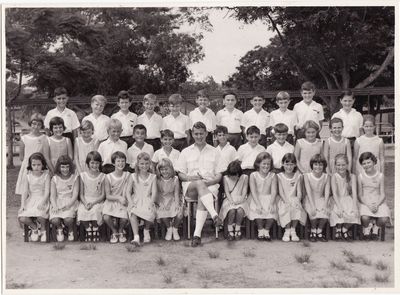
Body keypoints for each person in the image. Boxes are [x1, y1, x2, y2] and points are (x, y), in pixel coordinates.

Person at [175, 122, 224, 247]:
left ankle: (197, 235)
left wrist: (212, 181)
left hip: (210, 186)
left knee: (203, 195)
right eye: (196, 134)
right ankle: (214, 214)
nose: (199, 136)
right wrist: (191, 177)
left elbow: (219, 174)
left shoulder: (214, 151)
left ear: (206, 133)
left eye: (201, 133)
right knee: (199, 183)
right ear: (192, 134)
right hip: (190, 186)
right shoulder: (186, 151)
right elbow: (180, 174)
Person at [16, 113, 53, 196]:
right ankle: (25, 206)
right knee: (26, 190)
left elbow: (47, 157)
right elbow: (21, 157)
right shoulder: (24, 138)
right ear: (30, 123)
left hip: (40, 166)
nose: (36, 126)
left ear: (41, 126)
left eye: (39, 124)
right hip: (27, 167)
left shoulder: (44, 138)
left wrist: (52, 170)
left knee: (39, 190)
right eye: (34, 124)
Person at [126, 152, 158, 246]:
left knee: (150, 210)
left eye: (146, 163)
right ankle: (136, 237)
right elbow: (128, 191)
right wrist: (131, 202)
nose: (144, 166)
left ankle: (146, 230)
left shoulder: (153, 177)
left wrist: (151, 202)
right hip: (136, 199)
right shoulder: (133, 176)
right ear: (138, 164)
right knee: (132, 212)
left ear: (150, 164)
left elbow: (154, 192)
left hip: (147, 198)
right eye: (142, 164)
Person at [18, 152, 50, 242]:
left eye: (39, 165)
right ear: (30, 165)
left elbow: (47, 191)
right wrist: (23, 205)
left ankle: (43, 229)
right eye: (34, 165)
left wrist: (43, 202)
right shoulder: (28, 176)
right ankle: (34, 228)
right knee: (22, 217)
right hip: (31, 199)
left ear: (43, 165)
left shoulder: (46, 176)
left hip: (42, 198)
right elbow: (24, 192)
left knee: (40, 214)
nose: (36, 167)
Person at [357, 152, 391, 241]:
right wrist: (368, 204)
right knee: (364, 217)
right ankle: (367, 228)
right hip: (365, 200)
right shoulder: (360, 176)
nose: (366, 165)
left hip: (378, 200)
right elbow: (360, 195)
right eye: (364, 163)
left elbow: (383, 194)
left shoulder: (380, 176)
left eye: (369, 162)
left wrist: (377, 204)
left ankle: (376, 228)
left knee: (384, 218)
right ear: (361, 165)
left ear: (374, 162)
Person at [276, 153, 306, 242]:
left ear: (295, 165)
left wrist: (298, 200)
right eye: (287, 164)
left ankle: (293, 230)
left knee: (296, 207)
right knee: (287, 208)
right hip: (283, 199)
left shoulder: (298, 176)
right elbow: (280, 191)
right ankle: (287, 230)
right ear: (282, 164)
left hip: (294, 198)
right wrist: (286, 201)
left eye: (291, 164)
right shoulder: (279, 176)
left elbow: (299, 191)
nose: (289, 167)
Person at [248, 152, 277, 241]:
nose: (266, 166)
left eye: (268, 164)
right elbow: (253, 191)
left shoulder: (273, 175)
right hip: (256, 198)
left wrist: (271, 203)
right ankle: (260, 230)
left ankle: (266, 230)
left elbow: (274, 191)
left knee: (272, 211)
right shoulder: (253, 175)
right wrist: (258, 204)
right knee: (257, 211)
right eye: (264, 163)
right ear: (258, 164)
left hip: (269, 197)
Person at [329, 154, 359, 241]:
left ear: (347, 164)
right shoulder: (334, 176)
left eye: (343, 165)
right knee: (338, 212)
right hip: (336, 199)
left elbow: (354, 192)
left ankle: (344, 229)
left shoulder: (352, 176)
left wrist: (354, 205)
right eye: (338, 165)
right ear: (335, 165)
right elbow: (334, 193)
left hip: (347, 198)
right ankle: (338, 229)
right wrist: (339, 206)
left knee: (354, 213)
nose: (341, 167)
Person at [77, 151, 106, 242]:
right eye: (92, 163)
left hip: (97, 200)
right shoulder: (83, 176)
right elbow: (81, 194)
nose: (94, 165)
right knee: (82, 211)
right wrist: (85, 203)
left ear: (100, 164)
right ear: (87, 164)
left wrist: (93, 203)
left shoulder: (102, 176)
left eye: (97, 163)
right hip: (85, 200)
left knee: (96, 210)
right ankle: (88, 229)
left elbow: (103, 195)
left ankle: (95, 228)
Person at [49, 155, 79, 242]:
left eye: (67, 167)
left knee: (68, 220)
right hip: (58, 201)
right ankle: (59, 229)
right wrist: (54, 206)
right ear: (58, 167)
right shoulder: (55, 179)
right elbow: (53, 195)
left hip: (70, 201)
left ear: (70, 167)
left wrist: (69, 205)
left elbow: (75, 194)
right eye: (62, 167)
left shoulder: (74, 177)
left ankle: (70, 230)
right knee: (54, 220)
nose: (65, 169)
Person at [102, 152, 130, 244]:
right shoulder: (108, 177)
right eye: (118, 161)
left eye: (123, 161)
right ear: (113, 163)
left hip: (123, 199)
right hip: (112, 200)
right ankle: (114, 231)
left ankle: (121, 231)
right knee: (106, 217)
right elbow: (108, 196)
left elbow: (127, 191)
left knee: (124, 218)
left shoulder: (127, 175)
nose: (121, 163)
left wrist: (123, 199)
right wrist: (118, 198)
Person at [218, 160, 249, 241]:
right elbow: (227, 192)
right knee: (231, 210)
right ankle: (230, 228)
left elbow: (244, 190)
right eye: (231, 176)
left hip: (241, 198)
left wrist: (241, 200)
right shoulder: (225, 178)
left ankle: (238, 228)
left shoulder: (245, 177)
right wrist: (231, 201)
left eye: (235, 176)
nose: (233, 178)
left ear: (239, 173)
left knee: (240, 210)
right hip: (229, 199)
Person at [303, 154, 331, 242]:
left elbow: (326, 191)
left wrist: (326, 204)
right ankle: (313, 231)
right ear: (312, 165)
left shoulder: (326, 176)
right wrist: (312, 205)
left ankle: (319, 231)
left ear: (324, 166)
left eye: (320, 164)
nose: (318, 167)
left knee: (325, 214)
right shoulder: (307, 176)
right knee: (313, 214)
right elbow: (308, 191)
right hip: (310, 199)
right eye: (315, 164)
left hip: (321, 198)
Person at [155, 158, 182, 241]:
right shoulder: (157, 179)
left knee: (179, 213)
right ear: (159, 171)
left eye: (166, 169)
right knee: (162, 212)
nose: (164, 171)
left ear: (171, 169)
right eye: (162, 169)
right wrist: (160, 203)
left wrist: (177, 204)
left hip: (173, 198)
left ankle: (175, 228)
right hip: (162, 199)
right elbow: (157, 193)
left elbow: (176, 193)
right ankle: (169, 228)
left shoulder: (175, 179)